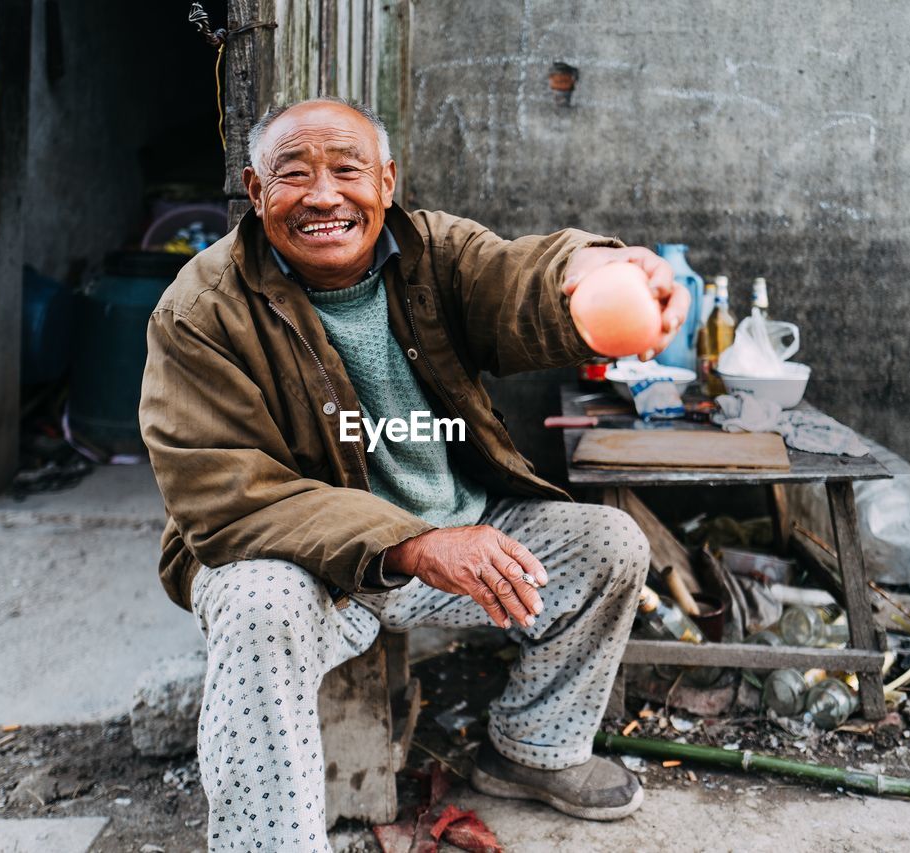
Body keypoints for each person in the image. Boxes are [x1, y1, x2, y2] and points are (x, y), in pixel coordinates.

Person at [139, 97, 691, 852]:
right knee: (256, 602)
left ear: (388, 181)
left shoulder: (435, 254)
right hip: (308, 567)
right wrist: (412, 543)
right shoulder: (200, 310)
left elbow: (514, 280)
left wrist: (592, 271)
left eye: (347, 169)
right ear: (255, 190)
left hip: (452, 535)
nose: (325, 196)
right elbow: (224, 497)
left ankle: (533, 749)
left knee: (608, 546)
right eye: (293, 174)